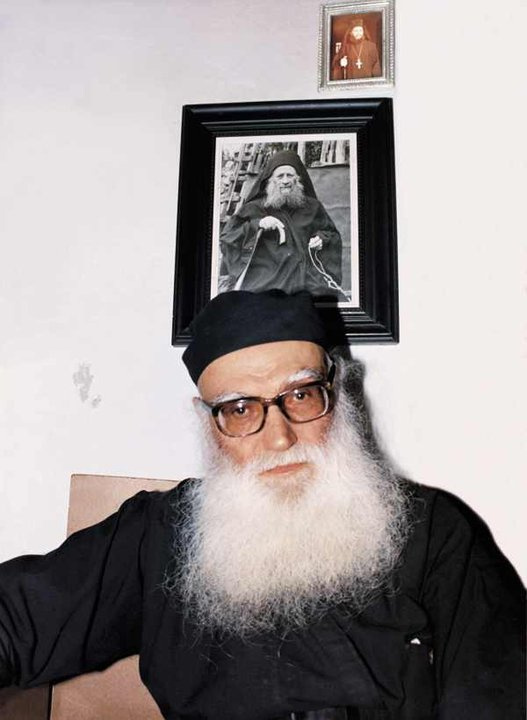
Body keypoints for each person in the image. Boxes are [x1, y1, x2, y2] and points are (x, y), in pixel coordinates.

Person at [0, 290, 524, 719]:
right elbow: (17, 621)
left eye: (301, 395)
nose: (279, 438)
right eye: (240, 408)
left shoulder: (433, 530)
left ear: (336, 394)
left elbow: (497, 696)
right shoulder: (156, 535)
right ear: (208, 422)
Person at [219, 150, 343, 298]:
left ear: (297, 179)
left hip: (306, 278)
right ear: (271, 180)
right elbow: (228, 238)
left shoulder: (313, 207)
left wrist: (321, 239)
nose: (285, 181)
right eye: (280, 176)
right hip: (265, 280)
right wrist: (258, 224)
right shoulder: (254, 208)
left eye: (289, 175)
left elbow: (331, 234)